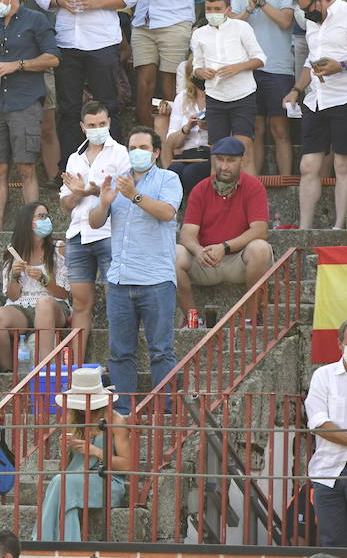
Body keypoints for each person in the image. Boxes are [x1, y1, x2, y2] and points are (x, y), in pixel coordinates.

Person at [86, 127, 182, 414]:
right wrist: (103, 203)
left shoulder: (169, 178)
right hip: (119, 280)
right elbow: (94, 222)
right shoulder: (116, 181)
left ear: (155, 152)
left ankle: (165, 410)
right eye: (132, 147)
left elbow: (167, 213)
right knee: (119, 353)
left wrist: (135, 196)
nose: (136, 152)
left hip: (156, 280)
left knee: (161, 350)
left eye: (143, 147)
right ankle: (123, 410)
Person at [37, 0, 138, 162]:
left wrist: (98, 3)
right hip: (68, 41)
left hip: (103, 41)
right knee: (69, 108)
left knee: (108, 105)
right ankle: (72, 165)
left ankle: (112, 163)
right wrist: (59, 1)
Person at [285, 0, 347, 229]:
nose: (305, 15)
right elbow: (310, 61)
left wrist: (341, 65)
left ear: (320, 1)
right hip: (317, 99)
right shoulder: (314, 24)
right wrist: (296, 89)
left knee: (343, 163)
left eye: (307, 8)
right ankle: (304, 227)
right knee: (308, 165)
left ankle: (339, 226)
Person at [0, 0, 59, 231]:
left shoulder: (36, 19)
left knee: (26, 167)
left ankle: (33, 226)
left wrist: (18, 65)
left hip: (25, 101)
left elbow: (53, 58)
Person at [174, 137, 273, 315]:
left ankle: (251, 316)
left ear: (242, 160)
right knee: (174, 253)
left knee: (260, 248)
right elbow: (186, 234)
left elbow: (260, 230)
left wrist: (224, 247)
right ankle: (192, 319)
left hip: (239, 260)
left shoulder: (254, 186)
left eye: (231, 160)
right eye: (220, 159)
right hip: (205, 259)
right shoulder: (200, 189)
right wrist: (198, 251)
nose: (224, 166)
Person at [59, 103, 129, 353]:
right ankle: (76, 366)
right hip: (78, 234)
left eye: (101, 124)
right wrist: (77, 194)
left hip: (110, 232)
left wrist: (91, 189)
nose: (97, 129)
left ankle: (119, 357)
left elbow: (125, 192)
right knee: (79, 303)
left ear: (109, 122)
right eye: (91, 125)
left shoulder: (121, 153)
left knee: (117, 299)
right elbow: (65, 204)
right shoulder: (74, 158)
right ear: (82, 127)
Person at [36, 366, 132, 542]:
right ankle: (67, 545)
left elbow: (127, 465)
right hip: (74, 478)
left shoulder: (116, 421)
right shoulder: (73, 419)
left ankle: (40, 541)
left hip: (107, 482)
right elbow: (66, 467)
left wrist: (95, 451)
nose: (81, 408)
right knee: (65, 494)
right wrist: (65, 449)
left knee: (60, 482)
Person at [231, 0, 298, 176]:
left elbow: (285, 21)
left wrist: (261, 3)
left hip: (278, 68)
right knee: (255, 129)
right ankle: (253, 182)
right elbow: (233, 26)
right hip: (248, 69)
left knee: (280, 128)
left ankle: (286, 182)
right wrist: (249, 7)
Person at [304, 316, 347, 548]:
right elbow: (318, 422)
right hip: (328, 472)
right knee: (333, 543)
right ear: (340, 344)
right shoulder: (323, 377)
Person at [0, 203, 69, 370]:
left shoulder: (59, 248)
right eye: (41, 216)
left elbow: (64, 293)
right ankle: (8, 372)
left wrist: (43, 279)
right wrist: (14, 275)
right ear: (27, 222)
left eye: (47, 216)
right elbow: (13, 296)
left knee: (44, 302)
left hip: (54, 306)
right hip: (21, 307)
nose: (47, 220)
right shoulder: (13, 251)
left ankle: (44, 369)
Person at [191, 0, 266, 160]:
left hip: (243, 94)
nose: (212, 13)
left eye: (217, 9)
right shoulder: (199, 34)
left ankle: (250, 187)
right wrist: (202, 72)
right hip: (215, 96)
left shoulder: (242, 27)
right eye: (209, 9)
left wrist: (238, 67)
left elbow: (260, 59)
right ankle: (217, 187)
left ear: (228, 9)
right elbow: (196, 66)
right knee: (216, 152)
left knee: (244, 148)